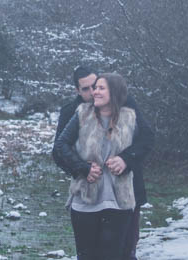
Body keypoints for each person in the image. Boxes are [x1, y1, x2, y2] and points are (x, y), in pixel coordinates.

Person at [53, 70, 153, 260]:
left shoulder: (129, 112)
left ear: (114, 92)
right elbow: (60, 148)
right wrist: (82, 168)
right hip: (87, 196)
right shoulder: (77, 112)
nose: (94, 92)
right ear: (77, 90)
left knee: (122, 254)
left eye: (99, 87)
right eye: (89, 88)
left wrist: (126, 159)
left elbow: (147, 140)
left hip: (122, 196)